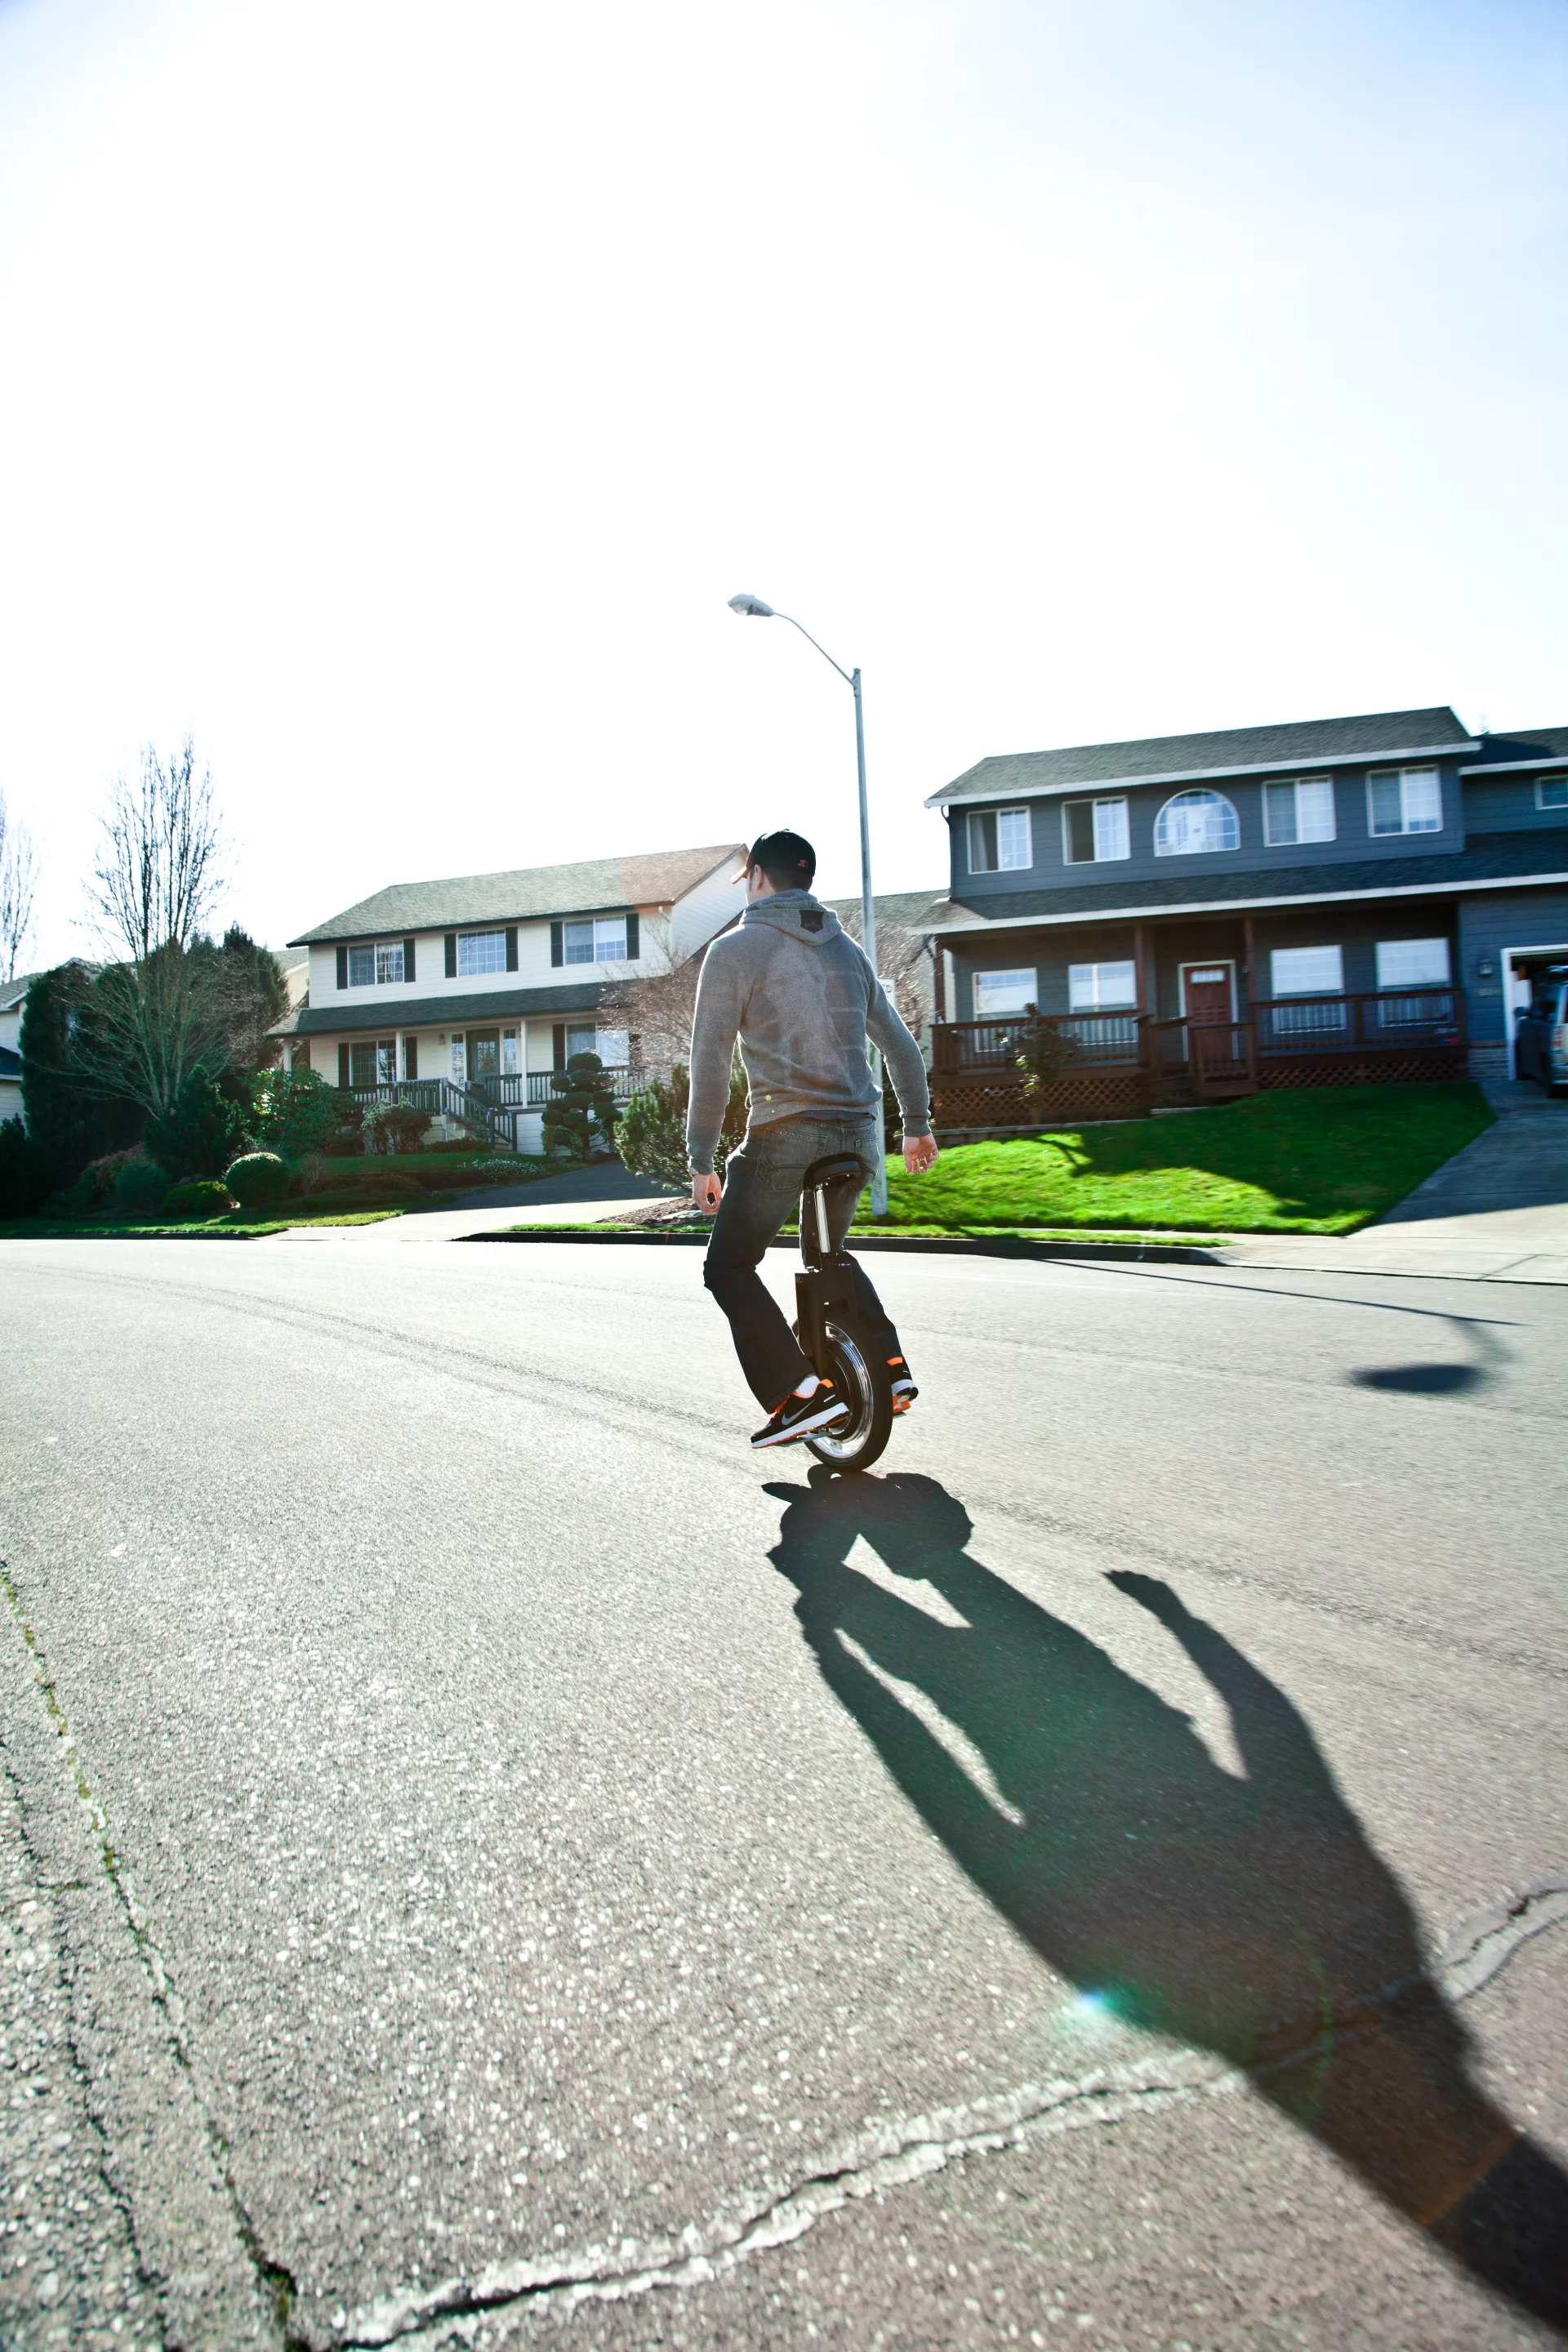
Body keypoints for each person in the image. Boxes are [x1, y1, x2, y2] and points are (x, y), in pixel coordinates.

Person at [688, 828, 939, 1450]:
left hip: (783, 1134)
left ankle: (797, 1394)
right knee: (828, 1256)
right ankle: (889, 1371)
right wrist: (916, 1125)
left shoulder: (735, 949)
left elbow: (710, 1061)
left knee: (729, 1267)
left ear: (755, 877)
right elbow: (901, 1046)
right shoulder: (848, 951)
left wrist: (701, 1158)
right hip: (857, 1135)